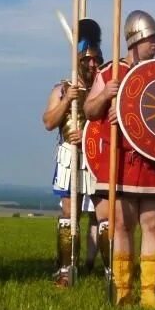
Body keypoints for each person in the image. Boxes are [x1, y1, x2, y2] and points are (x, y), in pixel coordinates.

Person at [84, 10, 155, 310]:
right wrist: (107, 96)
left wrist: (127, 112)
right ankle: (123, 290)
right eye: (151, 39)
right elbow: (89, 110)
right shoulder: (110, 72)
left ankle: (149, 293)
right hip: (120, 158)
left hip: (154, 159)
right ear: (136, 39)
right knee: (121, 224)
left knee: (153, 223)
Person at [42, 18, 106, 286]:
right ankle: (67, 269)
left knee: (103, 215)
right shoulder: (62, 88)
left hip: (96, 155)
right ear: (79, 59)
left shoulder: (103, 90)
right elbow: (48, 122)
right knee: (70, 214)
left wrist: (91, 132)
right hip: (70, 155)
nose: (93, 64)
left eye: (96, 60)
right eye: (88, 60)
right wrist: (68, 100)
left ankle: (108, 271)